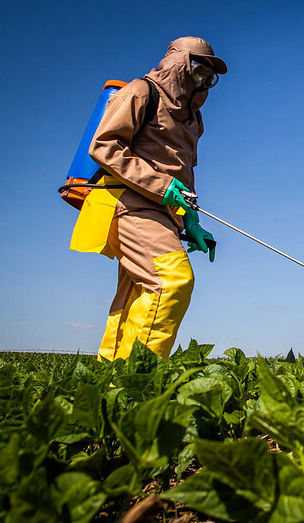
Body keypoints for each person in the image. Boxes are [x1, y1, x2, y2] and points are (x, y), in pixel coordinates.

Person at [69, 36, 227, 361]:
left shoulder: (194, 120)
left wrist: (192, 220)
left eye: (210, 77)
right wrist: (158, 185)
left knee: (135, 296)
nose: (204, 81)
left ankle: (110, 379)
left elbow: (184, 175)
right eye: (199, 70)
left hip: (166, 215)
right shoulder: (142, 92)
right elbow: (104, 146)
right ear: (179, 64)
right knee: (171, 282)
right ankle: (139, 383)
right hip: (131, 205)